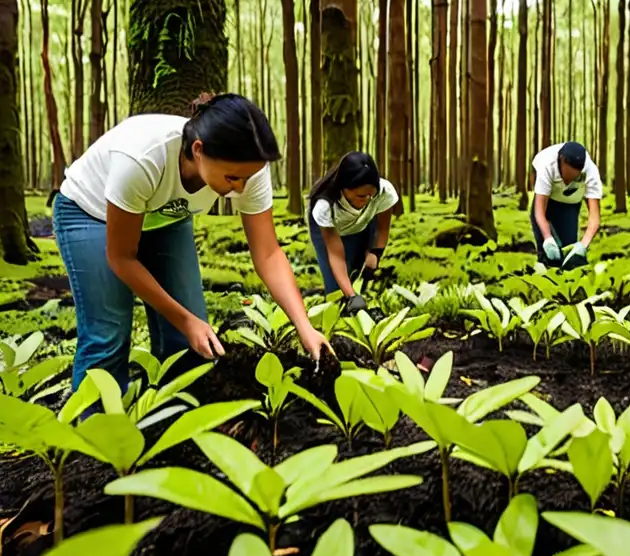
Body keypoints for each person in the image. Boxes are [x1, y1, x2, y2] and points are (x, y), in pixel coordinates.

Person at [53, 93, 333, 395]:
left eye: (247, 178)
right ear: (198, 150)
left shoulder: (247, 168)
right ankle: (94, 431)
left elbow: (267, 253)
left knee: (188, 345)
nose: (239, 188)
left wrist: (304, 327)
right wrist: (187, 320)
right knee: (107, 336)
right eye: (232, 178)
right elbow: (122, 257)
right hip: (90, 213)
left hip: (163, 217)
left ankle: (171, 427)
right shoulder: (142, 157)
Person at [308, 151, 399, 314]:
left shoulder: (384, 192)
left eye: (371, 195)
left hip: (363, 224)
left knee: (362, 271)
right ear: (344, 188)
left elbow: (382, 227)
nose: (367, 200)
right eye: (361, 196)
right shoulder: (325, 206)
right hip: (331, 230)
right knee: (336, 291)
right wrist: (351, 296)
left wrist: (376, 252)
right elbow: (335, 253)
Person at [530, 141, 602, 270]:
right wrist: (548, 238)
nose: (567, 182)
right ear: (561, 161)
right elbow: (539, 212)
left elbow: (595, 217)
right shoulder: (546, 164)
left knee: (570, 257)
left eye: (573, 178)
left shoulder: (591, 172)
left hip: (570, 204)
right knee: (549, 256)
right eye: (566, 177)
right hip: (548, 201)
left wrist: (583, 245)